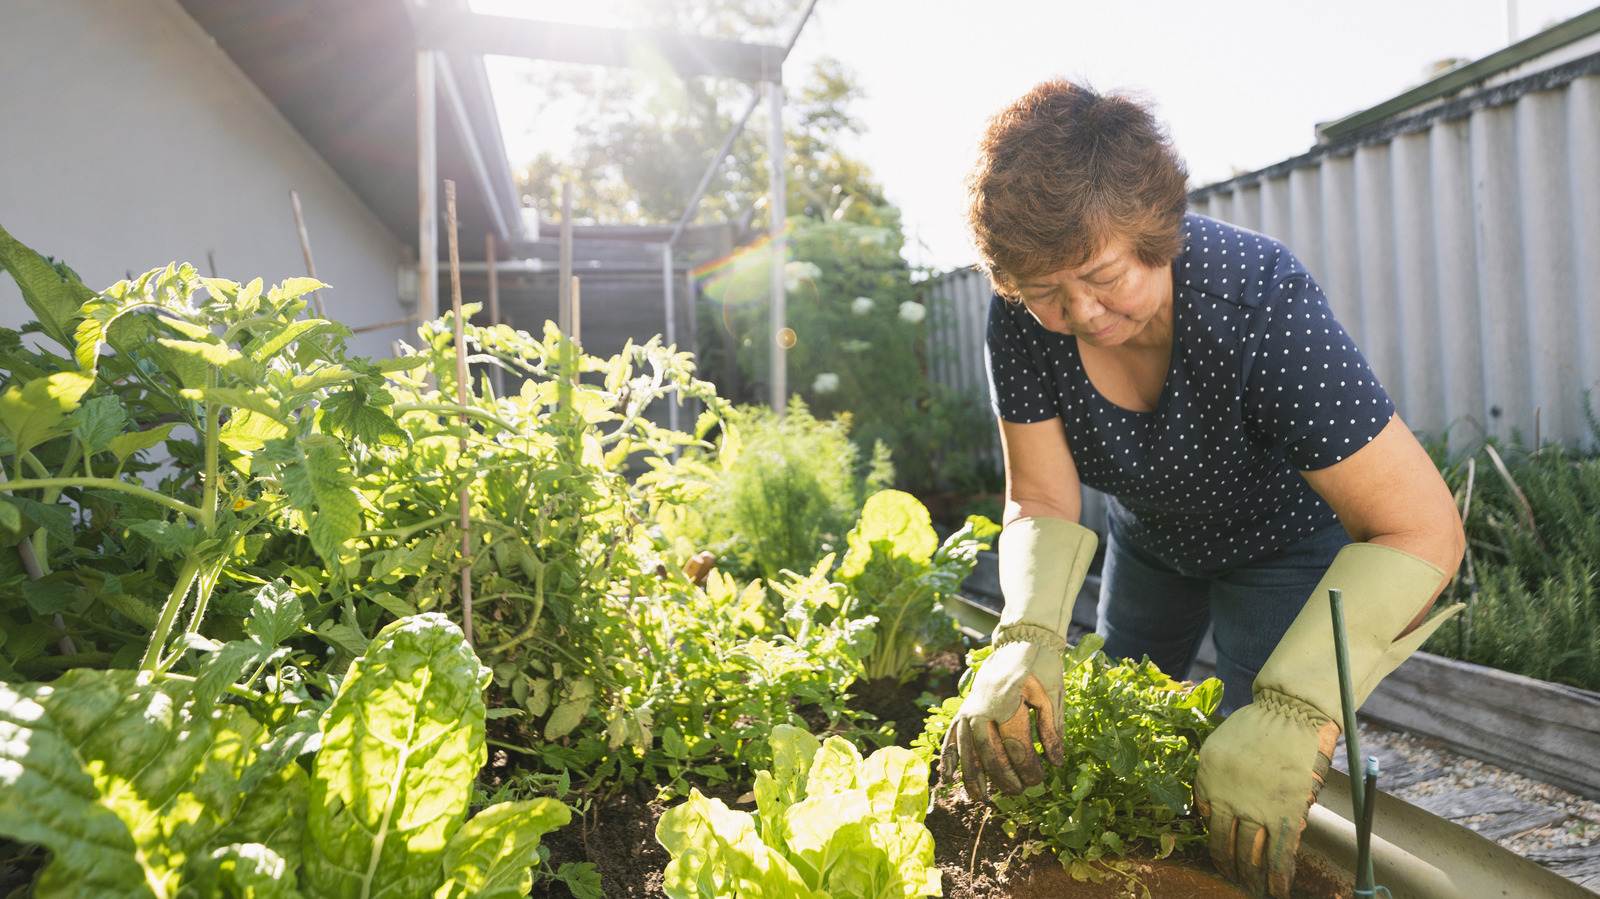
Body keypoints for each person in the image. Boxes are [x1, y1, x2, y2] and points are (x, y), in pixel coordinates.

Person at [940, 80, 1466, 898]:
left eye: (1101, 274)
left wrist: (1299, 711)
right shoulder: (1022, 318)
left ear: (1154, 232)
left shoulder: (1257, 304)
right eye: (1046, 292)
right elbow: (1041, 497)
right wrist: (1022, 635)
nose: (1079, 310)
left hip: (1282, 546)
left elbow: (1421, 527)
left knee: (1248, 771)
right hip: (1151, 538)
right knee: (1108, 712)